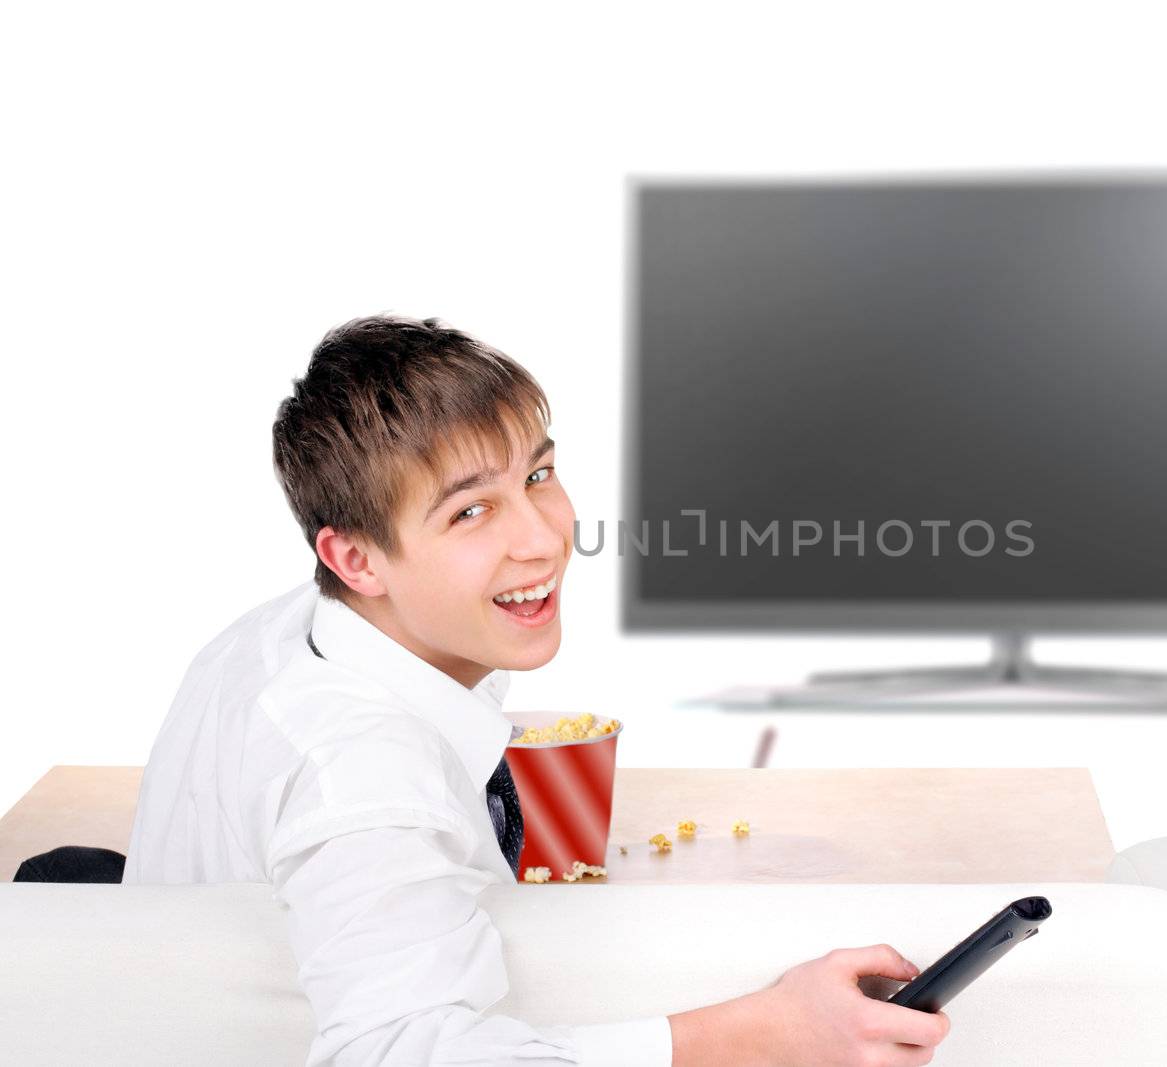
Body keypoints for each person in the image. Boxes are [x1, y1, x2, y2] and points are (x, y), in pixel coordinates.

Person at [122, 314, 952, 1066]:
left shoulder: (307, 628)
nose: (542, 537)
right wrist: (771, 1034)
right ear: (356, 559)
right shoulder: (364, 772)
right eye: (469, 514)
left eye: (539, 475)